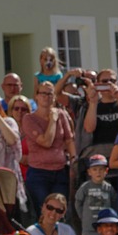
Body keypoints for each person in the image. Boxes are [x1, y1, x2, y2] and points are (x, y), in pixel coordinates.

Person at [20, 81, 76, 217]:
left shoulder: (61, 114)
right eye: (43, 93)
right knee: (44, 212)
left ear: (54, 97)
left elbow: (69, 139)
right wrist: (52, 120)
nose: (46, 97)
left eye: (50, 94)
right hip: (39, 172)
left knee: (60, 211)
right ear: (36, 96)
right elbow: (46, 142)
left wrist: (74, 160)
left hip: (60, 170)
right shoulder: (29, 119)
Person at [75, 154, 118, 235]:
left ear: (106, 171)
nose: (98, 172)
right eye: (94, 169)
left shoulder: (109, 187)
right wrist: (83, 217)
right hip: (88, 229)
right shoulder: (85, 187)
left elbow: (114, 203)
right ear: (89, 172)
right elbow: (78, 202)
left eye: (101, 169)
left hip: (105, 229)